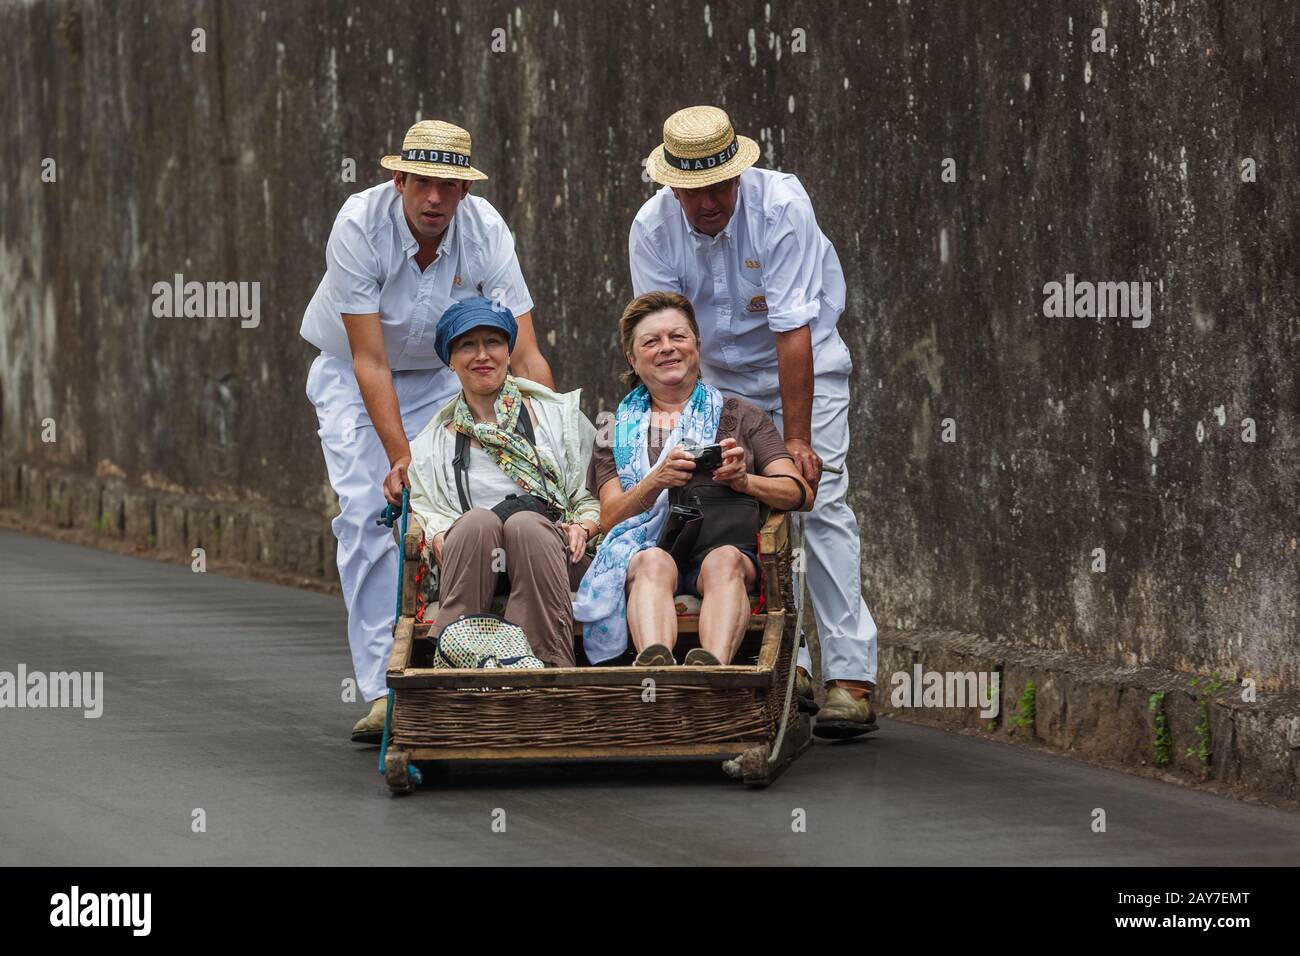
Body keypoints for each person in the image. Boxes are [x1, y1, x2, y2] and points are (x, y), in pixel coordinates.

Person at [302, 120, 556, 741]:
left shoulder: (486, 231)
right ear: (399, 180)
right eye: (423, 183)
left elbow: (524, 354)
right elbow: (369, 359)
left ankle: (465, 665)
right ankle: (383, 691)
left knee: (481, 511)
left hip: (445, 376)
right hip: (356, 380)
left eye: (449, 184)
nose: (435, 198)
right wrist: (400, 459)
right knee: (371, 513)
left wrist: (553, 445)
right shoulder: (359, 223)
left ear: (464, 190)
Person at [629, 105, 878, 737]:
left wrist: (794, 440)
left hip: (805, 363)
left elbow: (791, 328)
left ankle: (849, 677)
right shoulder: (652, 228)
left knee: (816, 501)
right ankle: (781, 667)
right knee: (734, 511)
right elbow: (664, 334)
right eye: (693, 191)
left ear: (739, 173)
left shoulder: (782, 208)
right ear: (672, 186)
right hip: (714, 377)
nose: (708, 202)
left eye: (720, 185)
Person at [576, 292, 812, 667]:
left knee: (723, 561)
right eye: (651, 342)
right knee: (652, 561)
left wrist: (744, 481)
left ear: (697, 347)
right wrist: (657, 480)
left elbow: (799, 493)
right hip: (652, 554)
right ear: (633, 360)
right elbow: (609, 517)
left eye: (678, 337)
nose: (667, 348)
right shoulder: (614, 429)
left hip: (728, 554)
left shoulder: (742, 416)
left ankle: (710, 669)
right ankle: (659, 665)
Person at [407, 298, 600, 668]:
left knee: (525, 525)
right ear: (450, 360)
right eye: (467, 345)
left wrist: (584, 526)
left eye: (493, 343)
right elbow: (430, 512)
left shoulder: (555, 419)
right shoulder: (432, 446)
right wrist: (438, 535)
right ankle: (456, 663)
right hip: (478, 559)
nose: (483, 355)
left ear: (509, 352)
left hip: (554, 554)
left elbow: (594, 493)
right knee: (478, 523)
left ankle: (544, 668)